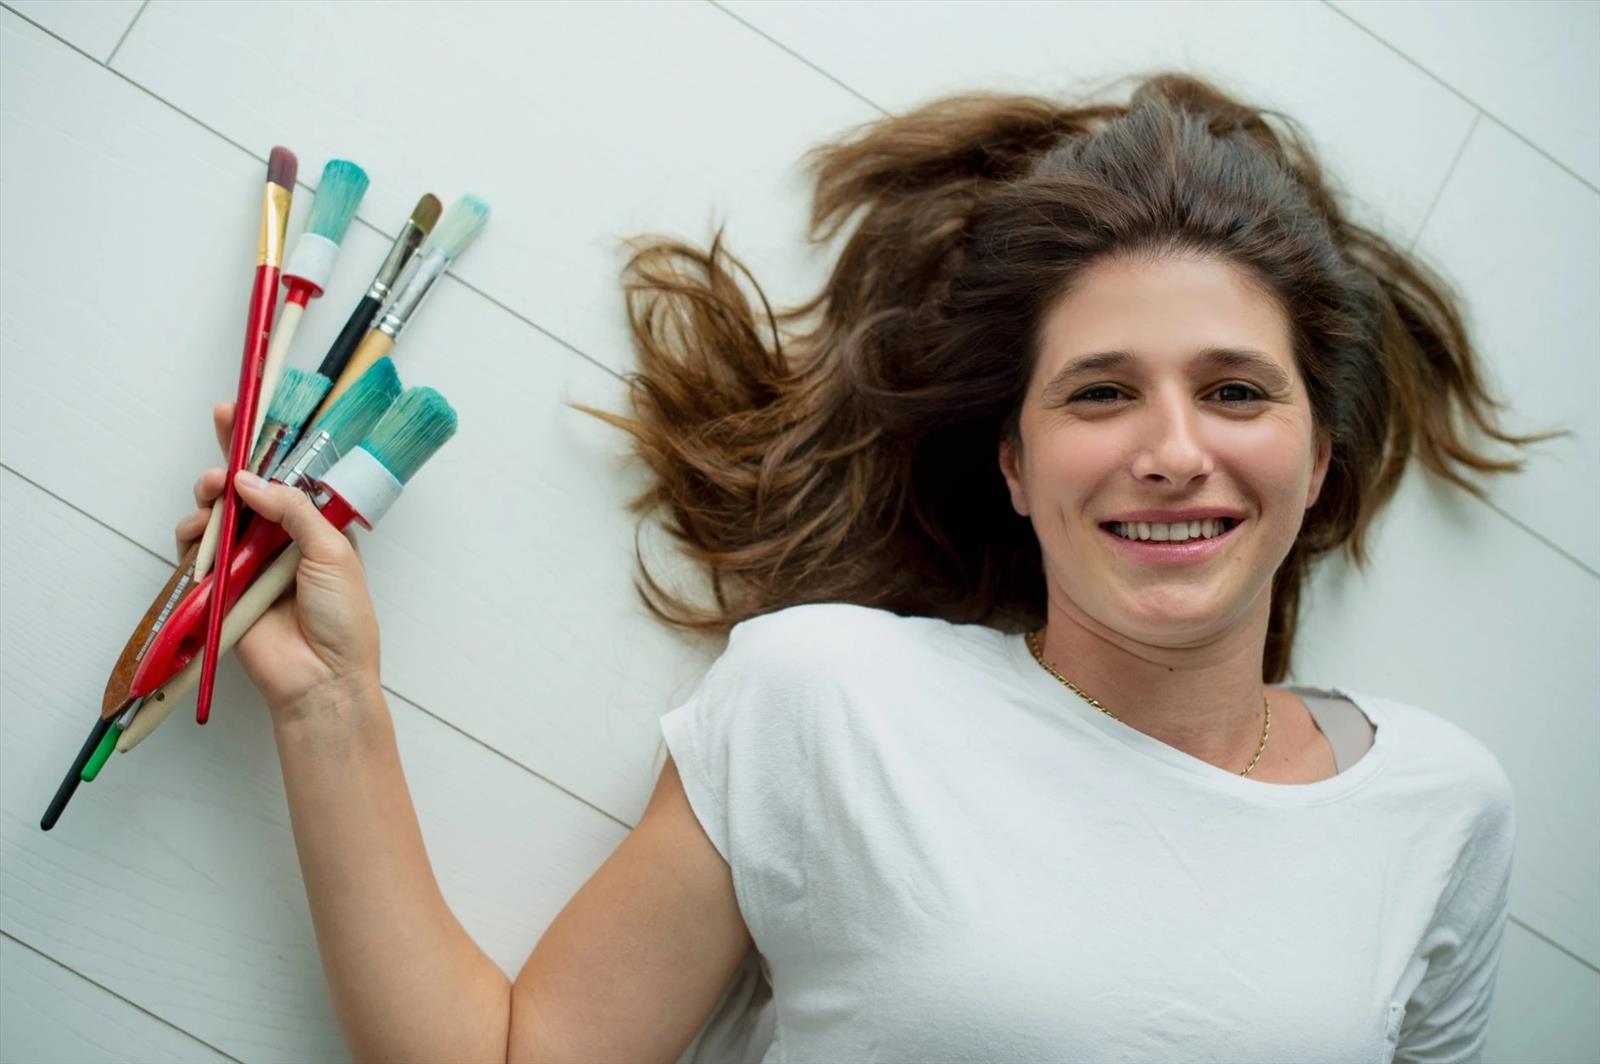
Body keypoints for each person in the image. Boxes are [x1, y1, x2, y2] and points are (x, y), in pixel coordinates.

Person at [181, 73, 1552, 1062]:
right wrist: (328, 705)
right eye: (1100, 394)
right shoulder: (830, 697)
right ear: (1015, 466)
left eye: (1237, 391)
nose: (1173, 451)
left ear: (1319, 462)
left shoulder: (1444, 807)